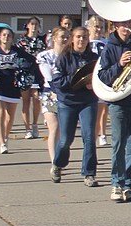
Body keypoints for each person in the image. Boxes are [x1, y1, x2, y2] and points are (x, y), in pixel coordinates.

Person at [97, 20, 131, 202]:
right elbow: (103, 76)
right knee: (118, 144)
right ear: (116, 26)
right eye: (122, 24)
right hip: (118, 101)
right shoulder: (109, 47)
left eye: (129, 23)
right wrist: (119, 64)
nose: (127, 27)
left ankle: (129, 185)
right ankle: (116, 183)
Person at [50, 26, 99, 186]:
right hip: (68, 102)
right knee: (65, 140)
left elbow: (101, 76)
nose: (81, 40)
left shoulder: (94, 57)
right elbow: (57, 82)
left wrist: (94, 84)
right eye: (78, 37)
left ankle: (89, 173)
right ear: (72, 38)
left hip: (88, 101)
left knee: (89, 137)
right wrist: (77, 79)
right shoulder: (64, 57)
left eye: (84, 37)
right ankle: (58, 165)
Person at [35, 28, 69, 164]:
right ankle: (55, 162)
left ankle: (61, 156)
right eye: (62, 36)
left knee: (65, 131)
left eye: (68, 37)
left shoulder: (71, 56)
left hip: (67, 94)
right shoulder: (44, 56)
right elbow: (48, 76)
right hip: (50, 93)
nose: (65, 39)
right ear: (54, 38)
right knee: (54, 127)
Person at [16, 17, 46, 140]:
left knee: (36, 99)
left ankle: (34, 124)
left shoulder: (43, 40)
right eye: (32, 24)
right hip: (25, 72)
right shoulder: (21, 41)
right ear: (28, 25)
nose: (34, 26)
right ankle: (27, 128)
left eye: (36, 24)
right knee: (26, 101)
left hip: (38, 73)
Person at [87, 15, 110, 148]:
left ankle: (101, 135)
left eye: (101, 27)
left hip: (101, 80)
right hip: (87, 81)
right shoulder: (85, 42)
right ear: (89, 27)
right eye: (96, 26)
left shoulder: (106, 43)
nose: (98, 29)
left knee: (101, 110)